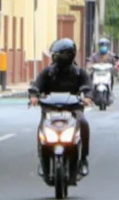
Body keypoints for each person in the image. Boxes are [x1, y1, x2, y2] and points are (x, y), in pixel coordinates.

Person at [29, 38, 92, 175]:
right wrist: (34, 96)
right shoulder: (48, 72)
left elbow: (87, 87)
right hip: (50, 110)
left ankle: (83, 158)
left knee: (84, 124)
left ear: (68, 55)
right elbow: (36, 86)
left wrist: (87, 97)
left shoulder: (79, 73)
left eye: (58, 54)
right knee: (42, 129)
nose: (55, 57)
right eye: (54, 54)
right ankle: (42, 158)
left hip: (73, 110)